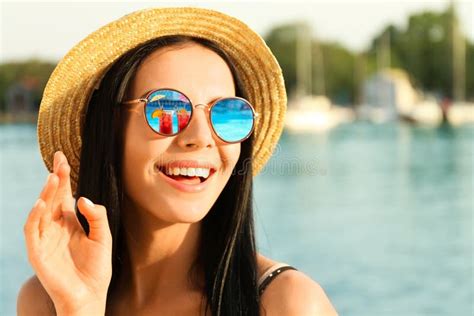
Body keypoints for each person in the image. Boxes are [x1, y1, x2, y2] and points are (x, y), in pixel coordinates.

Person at [17, 7, 338, 316]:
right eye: (168, 108)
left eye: (226, 112)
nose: (201, 136)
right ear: (111, 128)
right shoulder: (48, 299)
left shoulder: (287, 303)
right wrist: (79, 307)